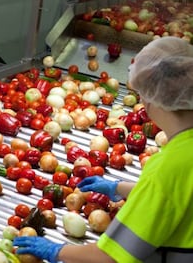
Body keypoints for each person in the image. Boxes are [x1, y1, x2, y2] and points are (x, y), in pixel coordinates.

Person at [14, 36, 193, 263]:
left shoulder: (166, 168)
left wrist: (55, 251)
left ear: (150, 100)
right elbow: (180, 192)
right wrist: (119, 187)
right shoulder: (182, 157)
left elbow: (110, 257)